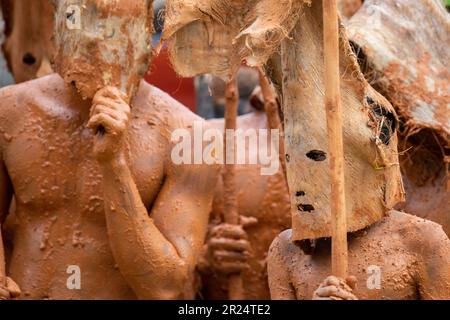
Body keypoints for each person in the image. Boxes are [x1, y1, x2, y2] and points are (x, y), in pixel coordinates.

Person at [0, 0, 218, 299]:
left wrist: (114, 164)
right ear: (57, 31)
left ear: (145, 38)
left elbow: (165, 285)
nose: (94, 39)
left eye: (113, 30)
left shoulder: (189, 135)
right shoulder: (10, 111)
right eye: (81, 22)